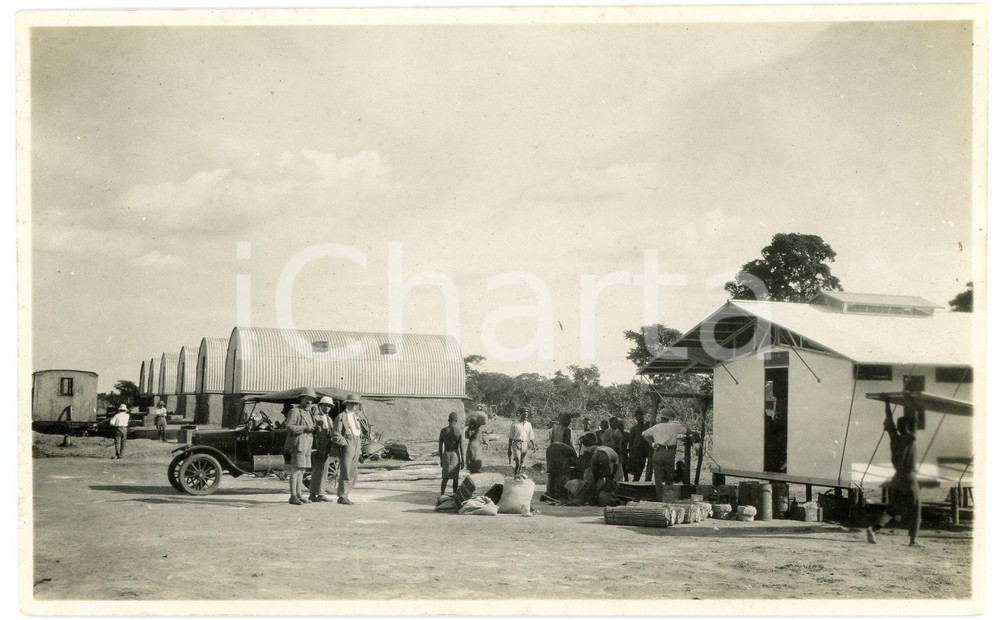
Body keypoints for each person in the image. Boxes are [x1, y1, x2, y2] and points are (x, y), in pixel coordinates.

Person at [867, 395, 923, 546]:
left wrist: (887, 403)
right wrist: (913, 402)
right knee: (916, 507)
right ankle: (913, 539)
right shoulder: (910, 439)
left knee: (894, 507)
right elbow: (915, 419)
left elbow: (889, 419)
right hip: (909, 477)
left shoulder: (894, 438)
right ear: (907, 427)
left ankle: (873, 528)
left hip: (898, 477)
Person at [642, 410, 687, 502]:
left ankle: (659, 499)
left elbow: (644, 434)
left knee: (658, 478)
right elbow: (686, 431)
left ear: (661, 417)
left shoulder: (656, 427)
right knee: (669, 477)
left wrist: (652, 443)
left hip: (659, 451)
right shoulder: (675, 426)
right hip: (669, 452)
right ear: (669, 418)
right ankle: (668, 499)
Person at [332, 393, 364, 505]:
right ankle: (342, 496)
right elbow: (336, 433)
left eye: (356, 404)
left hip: (357, 442)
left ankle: (346, 494)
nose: (355, 406)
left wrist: (359, 448)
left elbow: (359, 431)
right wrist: (344, 444)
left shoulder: (357, 417)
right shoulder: (341, 416)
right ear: (348, 404)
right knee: (345, 470)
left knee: (352, 471)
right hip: (348, 442)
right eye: (353, 404)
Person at [283, 395, 316, 505]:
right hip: (298, 443)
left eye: (311, 400)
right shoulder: (295, 411)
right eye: (307, 399)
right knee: (296, 470)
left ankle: (299, 494)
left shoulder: (309, 412)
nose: (309, 401)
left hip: (307, 444)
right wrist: (305, 428)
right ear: (301, 399)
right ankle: (293, 496)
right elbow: (289, 427)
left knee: (302, 470)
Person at [308, 396, 337, 503]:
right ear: (320, 406)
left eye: (329, 406)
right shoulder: (315, 418)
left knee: (323, 470)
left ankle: (320, 493)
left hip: (326, 447)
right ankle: (314, 494)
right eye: (326, 406)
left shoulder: (329, 419)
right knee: (317, 470)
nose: (328, 408)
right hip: (318, 447)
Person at [439, 412, 465, 495]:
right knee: (455, 478)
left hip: (446, 453)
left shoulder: (443, 431)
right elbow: (461, 447)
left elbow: (440, 447)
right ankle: (454, 495)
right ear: (456, 421)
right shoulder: (459, 431)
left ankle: (442, 494)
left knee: (445, 477)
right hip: (455, 455)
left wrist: (441, 459)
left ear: (448, 420)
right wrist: (462, 460)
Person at [507, 407, 536, 476]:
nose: (525, 416)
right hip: (516, 443)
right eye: (524, 414)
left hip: (525, 443)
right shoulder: (515, 424)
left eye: (526, 415)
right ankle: (515, 476)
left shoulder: (528, 424)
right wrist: (509, 448)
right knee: (518, 461)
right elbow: (511, 437)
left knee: (521, 462)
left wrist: (533, 445)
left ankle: (518, 475)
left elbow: (531, 435)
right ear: (520, 414)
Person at [623, 409, 649, 482]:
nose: (640, 418)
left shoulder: (647, 427)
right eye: (638, 417)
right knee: (633, 468)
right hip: (635, 452)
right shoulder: (633, 429)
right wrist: (631, 451)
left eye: (641, 416)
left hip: (643, 452)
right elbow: (631, 442)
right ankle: (633, 481)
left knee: (641, 467)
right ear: (636, 418)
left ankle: (636, 481)